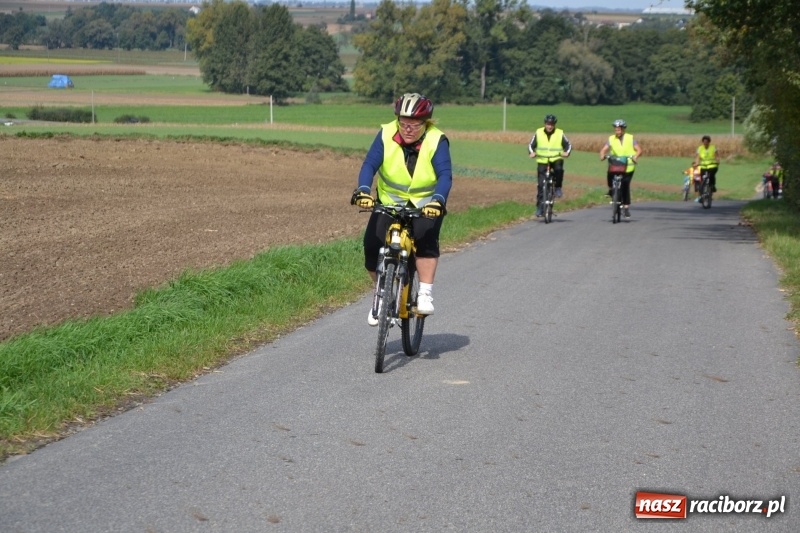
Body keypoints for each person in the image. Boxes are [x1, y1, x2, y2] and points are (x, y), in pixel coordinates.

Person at [350, 93, 452, 325]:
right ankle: (381, 296)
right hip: (389, 202)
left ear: (426, 123)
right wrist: (364, 190)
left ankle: (424, 293)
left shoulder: (437, 140)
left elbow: (445, 175)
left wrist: (438, 200)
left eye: (414, 125)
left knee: (426, 240)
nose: (408, 129)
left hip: (425, 203)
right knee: (372, 245)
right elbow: (369, 164)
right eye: (404, 124)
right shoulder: (386, 133)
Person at [528, 114, 572, 217]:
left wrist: (566, 152)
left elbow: (568, 145)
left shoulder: (560, 133)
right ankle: (539, 207)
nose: (550, 126)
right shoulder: (538, 132)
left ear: (554, 125)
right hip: (542, 159)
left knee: (559, 169)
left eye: (552, 124)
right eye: (548, 124)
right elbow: (531, 145)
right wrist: (532, 152)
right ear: (545, 124)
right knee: (540, 185)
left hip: (556, 158)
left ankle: (557, 187)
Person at [599, 119, 642, 219]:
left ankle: (626, 207)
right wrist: (602, 155)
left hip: (628, 166)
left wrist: (635, 156)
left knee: (625, 184)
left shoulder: (630, 138)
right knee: (609, 174)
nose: (617, 131)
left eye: (619, 129)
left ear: (623, 129)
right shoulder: (611, 139)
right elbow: (604, 149)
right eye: (615, 129)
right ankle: (611, 189)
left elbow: (639, 150)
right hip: (616, 164)